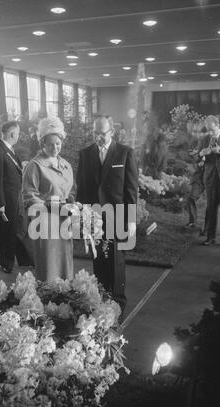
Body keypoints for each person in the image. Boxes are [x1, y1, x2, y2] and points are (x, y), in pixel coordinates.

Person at [76, 116, 138, 312]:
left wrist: (131, 220)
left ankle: (118, 304)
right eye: (95, 133)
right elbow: (82, 189)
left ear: (112, 131)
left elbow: (131, 189)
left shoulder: (125, 153)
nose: (98, 137)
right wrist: (82, 217)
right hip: (94, 215)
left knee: (116, 260)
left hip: (117, 214)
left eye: (102, 133)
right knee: (98, 259)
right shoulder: (85, 154)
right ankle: (100, 299)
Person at [22, 116, 75, 282]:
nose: (55, 147)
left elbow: (72, 191)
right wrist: (54, 207)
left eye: (58, 143)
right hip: (45, 224)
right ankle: (47, 303)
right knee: (49, 267)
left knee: (65, 264)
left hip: (64, 222)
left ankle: (65, 301)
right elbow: (29, 197)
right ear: (42, 144)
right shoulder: (35, 166)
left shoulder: (66, 165)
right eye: (50, 144)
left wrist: (73, 205)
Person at [0, 121, 29, 273]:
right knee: (8, 232)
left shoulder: (7, 149)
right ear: (12, 134)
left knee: (15, 229)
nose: (18, 136)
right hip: (6, 199)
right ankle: (7, 263)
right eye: (18, 134)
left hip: (14, 196)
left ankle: (24, 259)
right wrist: (0, 203)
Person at [200, 115, 220, 247]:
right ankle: (210, 237)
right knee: (211, 208)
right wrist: (202, 153)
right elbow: (198, 153)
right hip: (210, 176)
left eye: (208, 124)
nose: (206, 126)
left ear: (215, 123)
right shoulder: (206, 138)